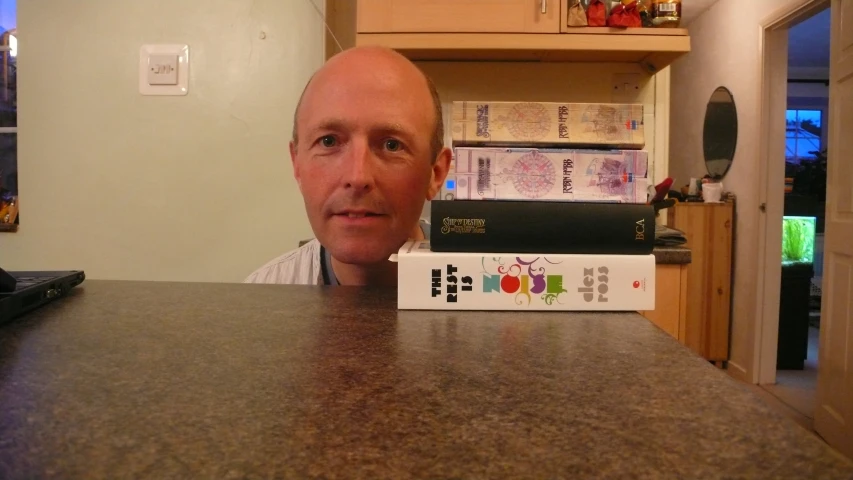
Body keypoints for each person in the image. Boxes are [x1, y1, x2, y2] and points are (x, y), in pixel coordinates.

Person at [244, 46, 451, 286]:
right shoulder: (259, 301)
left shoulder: (493, 298)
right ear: (297, 165)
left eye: (392, 145)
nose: (358, 176)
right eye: (329, 141)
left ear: (436, 173)